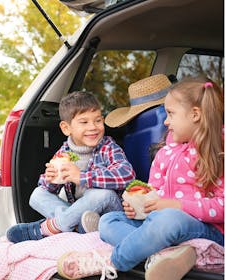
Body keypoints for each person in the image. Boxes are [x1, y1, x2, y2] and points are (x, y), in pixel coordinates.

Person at [57, 76, 224, 280]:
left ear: (195, 115)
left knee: (168, 218)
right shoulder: (165, 152)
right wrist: (139, 208)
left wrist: (176, 206)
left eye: (170, 114)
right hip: (158, 225)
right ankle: (161, 255)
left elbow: (222, 206)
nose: (165, 121)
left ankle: (111, 261)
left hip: (203, 229)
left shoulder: (218, 152)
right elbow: (153, 193)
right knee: (109, 220)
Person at [6, 91, 135, 243]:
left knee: (102, 193)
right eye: (84, 122)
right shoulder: (63, 153)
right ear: (66, 128)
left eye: (98, 120)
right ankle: (78, 227)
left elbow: (127, 175)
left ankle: (48, 228)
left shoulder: (107, 146)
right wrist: (51, 179)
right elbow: (48, 190)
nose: (93, 127)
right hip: (80, 213)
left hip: (109, 211)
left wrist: (82, 176)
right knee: (37, 195)